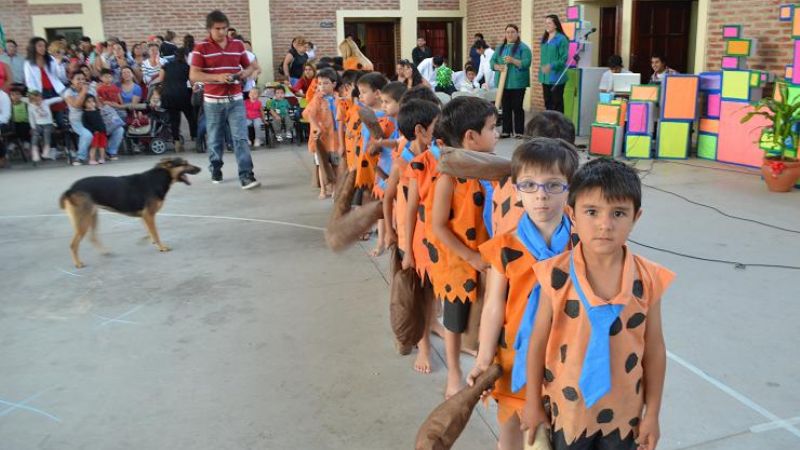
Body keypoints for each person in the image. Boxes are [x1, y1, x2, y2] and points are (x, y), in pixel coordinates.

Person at [520, 158, 674, 450]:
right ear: (572, 214)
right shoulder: (555, 275)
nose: (605, 224)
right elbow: (537, 341)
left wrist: (652, 414)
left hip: (625, 412)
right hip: (569, 410)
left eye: (619, 213)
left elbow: (654, 348)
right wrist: (532, 402)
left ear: (636, 217)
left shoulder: (649, 278)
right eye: (592, 212)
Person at [467, 137, 578, 450]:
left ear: (570, 189)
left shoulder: (580, 245)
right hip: (513, 354)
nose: (541, 195)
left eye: (553, 185)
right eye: (529, 185)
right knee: (512, 430)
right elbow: (493, 306)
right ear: (516, 190)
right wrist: (483, 358)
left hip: (565, 355)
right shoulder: (505, 246)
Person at [409, 96, 496, 398]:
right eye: (492, 128)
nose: (497, 135)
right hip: (457, 262)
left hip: (486, 257)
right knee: (454, 319)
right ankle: (454, 372)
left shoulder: (491, 170)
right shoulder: (448, 177)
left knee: (485, 310)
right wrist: (470, 256)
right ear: (471, 137)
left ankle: (481, 355)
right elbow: (437, 227)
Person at [386, 97, 440, 370]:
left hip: (429, 238)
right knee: (415, 296)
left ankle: (430, 327)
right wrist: (392, 235)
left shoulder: (434, 156)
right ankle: (422, 347)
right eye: (436, 125)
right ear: (420, 130)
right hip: (411, 240)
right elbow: (392, 200)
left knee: (430, 293)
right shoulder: (404, 163)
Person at [190, 10, 261, 189]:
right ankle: (215, 167)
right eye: (217, 28)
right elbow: (194, 75)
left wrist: (242, 74)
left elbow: (250, 67)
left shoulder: (237, 45)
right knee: (215, 138)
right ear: (209, 29)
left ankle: (246, 175)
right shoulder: (201, 48)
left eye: (224, 28)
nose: (222, 32)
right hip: (213, 102)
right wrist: (218, 77)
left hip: (236, 99)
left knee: (241, 138)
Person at [303, 67, 340, 199]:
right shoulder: (317, 99)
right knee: (321, 164)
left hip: (335, 138)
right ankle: (323, 190)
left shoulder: (338, 98)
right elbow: (307, 114)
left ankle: (335, 189)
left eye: (326, 83)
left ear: (334, 84)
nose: (322, 86)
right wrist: (315, 125)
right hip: (321, 138)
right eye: (319, 83)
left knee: (336, 164)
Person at [353, 72, 389, 205]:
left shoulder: (385, 117)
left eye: (364, 92)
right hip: (365, 160)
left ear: (377, 93)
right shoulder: (367, 112)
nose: (360, 96)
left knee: (373, 196)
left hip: (378, 163)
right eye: (359, 92)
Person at [491, 24, 532, 137]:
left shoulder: (523, 48)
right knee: (506, 108)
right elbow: (492, 62)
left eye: (513, 32)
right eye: (508, 32)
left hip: (518, 83)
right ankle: (506, 131)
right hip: (503, 83)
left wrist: (513, 60)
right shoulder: (500, 48)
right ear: (505, 34)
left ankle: (519, 131)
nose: (510, 34)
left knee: (517, 107)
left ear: (517, 33)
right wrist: (497, 67)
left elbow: (526, 63)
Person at [24, 37, 68, 127]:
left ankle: (64, 134)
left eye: (44, 46)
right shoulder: (28, 62)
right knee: (46, 120)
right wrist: (35, 95)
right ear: (33, 47)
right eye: (40, 46)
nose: (43, 48)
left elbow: (59, 76)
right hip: (41, 93)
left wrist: (59, 64)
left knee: (60, 118)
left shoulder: (51, 59)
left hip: (55, 90)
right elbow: (29, 81)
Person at [160, 48, 195, 152]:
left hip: (168, 95)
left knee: (174, 120)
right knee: (191, 117)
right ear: (185, 56)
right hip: (182, 94)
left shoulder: (166, 65)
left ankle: (176, 143)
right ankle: (195, 137)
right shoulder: (187, 67)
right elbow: (192, 82)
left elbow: (161, 79)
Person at [539, 15, 569, 114]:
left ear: (556, 25)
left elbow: (563, 59)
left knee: (557, 104)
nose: (547, 25)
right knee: (548, 103)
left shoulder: (561, 39)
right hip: (545, 77)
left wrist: (551, 66)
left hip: (557, 77)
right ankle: (549, 123)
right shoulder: (544, 39)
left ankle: (559, 123)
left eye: (549, 23)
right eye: (546, 23)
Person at [27, 89, 64, 161]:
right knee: (35, 135)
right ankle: (35, 151)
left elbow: (54, 100)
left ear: (41, 98)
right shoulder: (30, 106)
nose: (37, 102)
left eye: (39, 100)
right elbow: (31, 117)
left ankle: (46, 151)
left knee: (47, 135)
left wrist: (62, 97)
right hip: (38, 124)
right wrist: (33, 127)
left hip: (48, 124)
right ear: (31, 101)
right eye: (35, 101)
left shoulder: (45, 102)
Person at [82, 95, 107, 165]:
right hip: (95, 133)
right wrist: (93, 130)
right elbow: (85, 124)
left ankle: (102, 158)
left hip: (102, 131)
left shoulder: (97, 111)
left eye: (93, 101)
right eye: (88, 102)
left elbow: (101, 121)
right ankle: (92, 159)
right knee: (94, 146)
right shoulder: (85, 113)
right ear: (84, 104)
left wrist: (104, 129)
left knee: (102, 146)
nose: (91, 103)